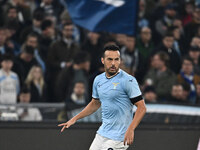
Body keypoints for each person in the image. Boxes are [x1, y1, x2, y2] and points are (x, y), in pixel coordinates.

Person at [58, 45, 146, 149]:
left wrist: (131, 129)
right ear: (103, 60)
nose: (113, 63)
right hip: (102, 133)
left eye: (116, 59)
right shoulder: (98, 80)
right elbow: (95, 104)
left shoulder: (128, 80)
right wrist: (75, 118)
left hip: (119, 137)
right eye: (110, 59)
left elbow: (142, 107)